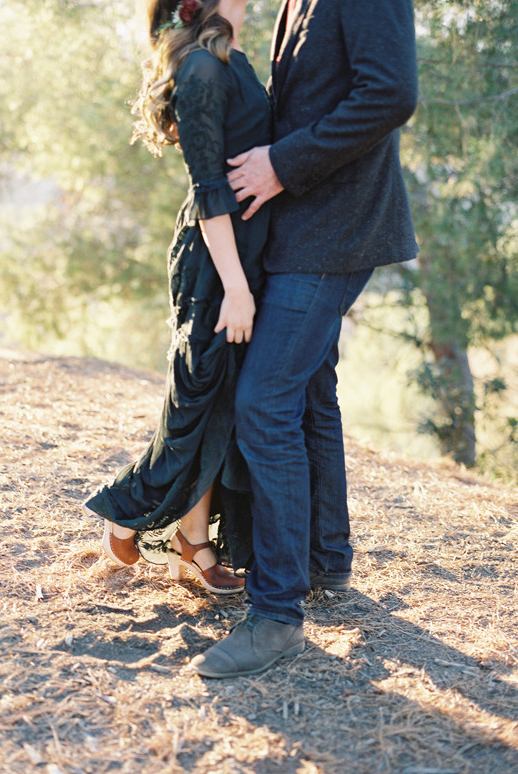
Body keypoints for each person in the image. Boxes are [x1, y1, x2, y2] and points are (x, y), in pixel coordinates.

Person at [191, 0, 419, 675]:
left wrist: (282, 164)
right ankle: (324, 559)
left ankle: (277, 614)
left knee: (265, 403)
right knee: (313, 390)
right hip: (302, 230)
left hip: (337, 229)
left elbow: (392, 93)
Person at [83, 0, 271, 595]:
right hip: (215, 264)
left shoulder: (232, 59)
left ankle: (193, 541)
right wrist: (236, 288)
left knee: (220, 402)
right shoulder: (201, 70)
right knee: (197, 400)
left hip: (243, 257)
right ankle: (124, 510)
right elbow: (209, 189)